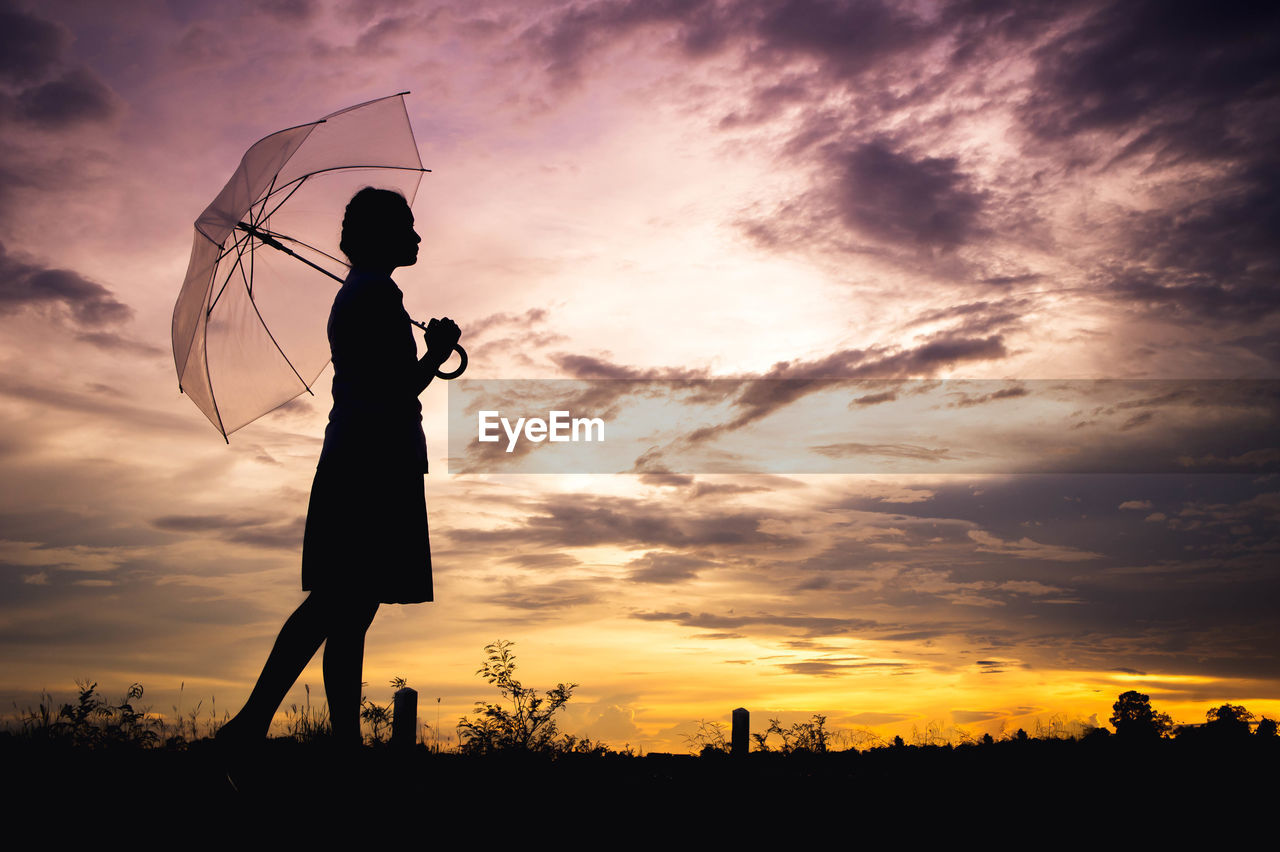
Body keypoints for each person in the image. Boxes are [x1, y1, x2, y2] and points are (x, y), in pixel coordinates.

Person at [218, 187, 460, 748]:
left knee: (350, 608)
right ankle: (252, 726)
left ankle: (339, 744)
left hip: (366, 457)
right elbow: (394, 389)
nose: (417, 235)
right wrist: (437, 354)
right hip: (371, 464)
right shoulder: (372, 297)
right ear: (381, 236)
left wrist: (430, 354)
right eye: (407, 226)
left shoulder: (372, 295)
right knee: (338, 600)